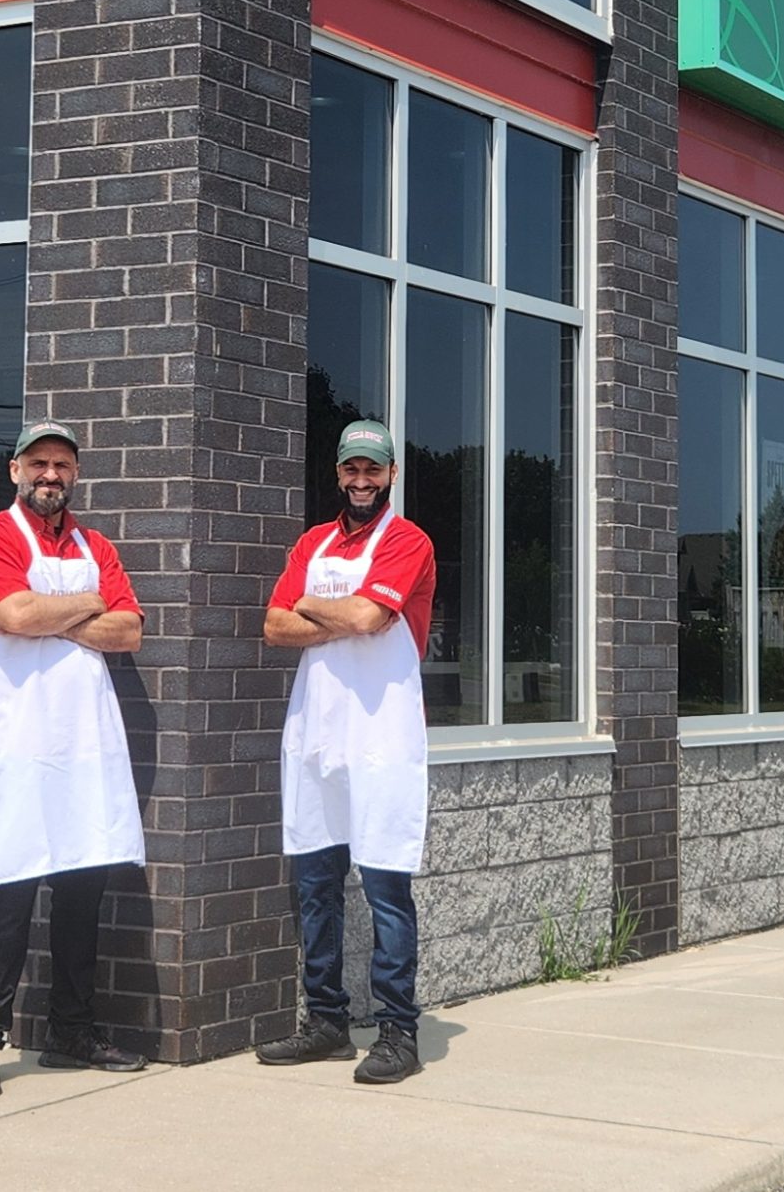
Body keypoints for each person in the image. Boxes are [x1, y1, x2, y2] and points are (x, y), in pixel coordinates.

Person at [0, 419, 149, 1098]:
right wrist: (89, 601)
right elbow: (13, 614)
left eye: (62, 464)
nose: (51, 475)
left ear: (75, 475)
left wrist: (51, 610)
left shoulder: (97, 543)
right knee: (9, 892)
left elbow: (130, 631)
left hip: (87, 742)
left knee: (82, 892)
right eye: (39, 462)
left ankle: (72, 1029)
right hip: (21, 739)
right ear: (15, 470)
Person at [254, 420, 437, 1085]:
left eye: (373, 469)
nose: (361, 480)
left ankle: (398, 1029)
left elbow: (367, 619)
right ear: (338, 473)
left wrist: (313, 604)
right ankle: (326, 1020)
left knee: (387, 885)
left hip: (382, 731)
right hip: (315, 732)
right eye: (351, 469)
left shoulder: (409, 541)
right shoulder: (313, 541)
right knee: (315, 885)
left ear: (390, 474)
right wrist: (339, 609)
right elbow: (274, 626)